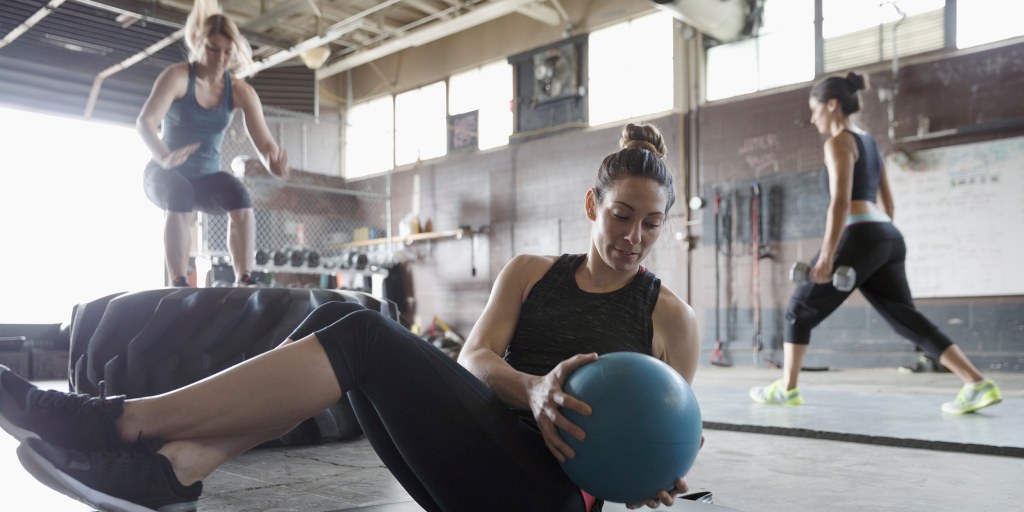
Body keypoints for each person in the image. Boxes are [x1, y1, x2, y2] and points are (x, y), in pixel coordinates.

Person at [0, 122, 702, 512]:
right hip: (476, 455)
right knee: (340, 318)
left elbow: (672, 444)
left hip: (553, 504)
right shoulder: (530, 274)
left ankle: (121, 422)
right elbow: (474, 359)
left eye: (650, 223)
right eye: (620, 215)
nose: (632, 236)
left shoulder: (673, 320)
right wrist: (536, 389)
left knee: (361, 332)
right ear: (591, 206)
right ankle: (176, 467)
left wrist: (654, 478)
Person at [748, 72, 1003, 415]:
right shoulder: (870, 142)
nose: (812, 118)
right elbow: (890, 205)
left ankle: (787, 389)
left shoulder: (838, 142)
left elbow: (839, 202)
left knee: (797, 309)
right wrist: (877, 248)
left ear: (832, 105)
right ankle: (976, 383)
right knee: (905, 319)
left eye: (814, 109)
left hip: (859, 233)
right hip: (887, 235)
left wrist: (827, 256)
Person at [137, 0, 289, 287]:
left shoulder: (240, 90)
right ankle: (179, 281)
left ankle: (244, 278)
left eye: (227, 52)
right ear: (199, 44)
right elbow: (144, 123)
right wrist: (164, 156)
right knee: (178, 192)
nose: (220, 58)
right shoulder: (178, 77)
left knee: (238, 195)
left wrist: (274, 163)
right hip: (163, 173)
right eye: (213, 49)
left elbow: (266, 143)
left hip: (205, 180)